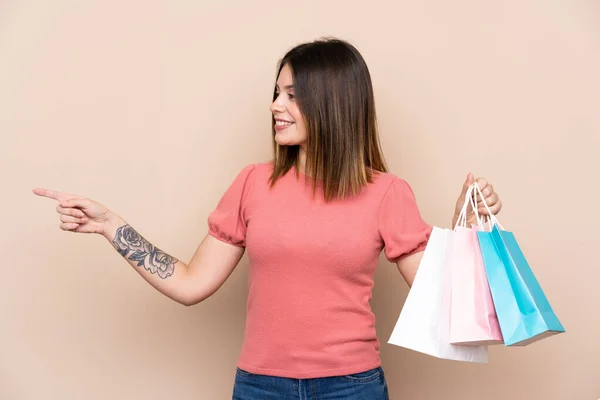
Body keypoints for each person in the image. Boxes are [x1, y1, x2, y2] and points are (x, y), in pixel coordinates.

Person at [34, 38, 502, 400]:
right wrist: (112, 225)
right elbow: (190, 284)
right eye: (277, 92)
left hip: (351, 387)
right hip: (259, 387)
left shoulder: (385, 193)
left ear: (333, 103)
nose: (275, 105)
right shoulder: (253, 184)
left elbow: (444, 300)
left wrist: (469, 225)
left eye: (292, 95)